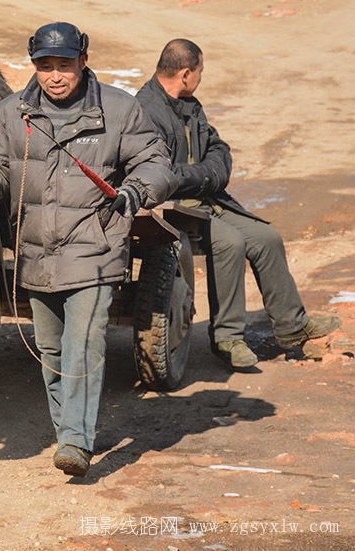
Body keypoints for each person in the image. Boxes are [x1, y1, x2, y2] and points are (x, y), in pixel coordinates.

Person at [0, 22, 176, 477]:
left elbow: (156, 161)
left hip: (95, 248)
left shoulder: (120, 110)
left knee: (82, 347)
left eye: (63, 65)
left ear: (83, 61)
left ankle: (77, 442)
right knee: (51, 352)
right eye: (45, 66)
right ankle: (68, 433)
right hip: (36, 253)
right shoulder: (9, 113)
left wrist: (136, 191)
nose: (54, 75)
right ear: (34, 65)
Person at [136, 39, 341, 368]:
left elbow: (220, 149)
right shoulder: (146, 109)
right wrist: (207, 175)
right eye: (200, 71)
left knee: (266, 239)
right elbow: (163, 174)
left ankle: (292, 326)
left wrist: (207, 174)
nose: (201, 77)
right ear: (186, 73)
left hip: (208, 199)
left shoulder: (190, 103)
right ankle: (227, 338)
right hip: (174, 207)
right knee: (230, 242)